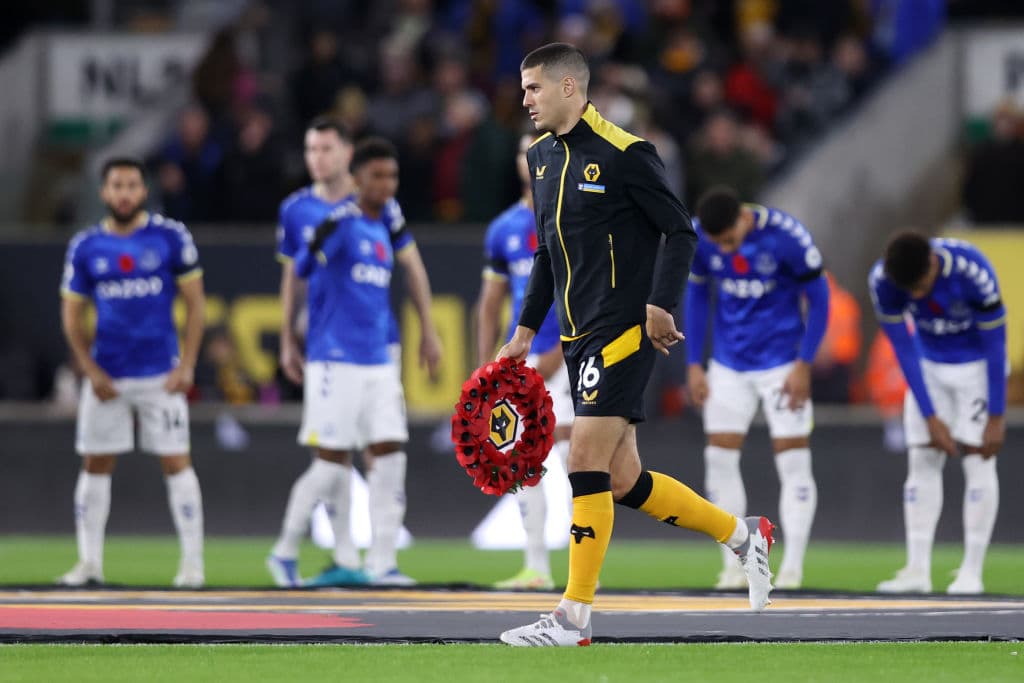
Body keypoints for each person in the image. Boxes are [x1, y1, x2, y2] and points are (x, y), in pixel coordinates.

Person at [497, 43, 775, 647]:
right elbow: (547, 254)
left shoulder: (627, 154)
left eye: (533, 88)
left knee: (583, 463)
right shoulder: (540, 158)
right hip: (574, 335)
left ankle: (573, 617)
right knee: (624, 480)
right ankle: (742, 535)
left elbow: (681, 230)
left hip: (622, 330)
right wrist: (522, 330)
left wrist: (660, 304)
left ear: (571, 88)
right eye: (524, 89)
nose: (525, 100)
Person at [269, 134, 437, 588]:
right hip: (335, 358)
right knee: (330, 460)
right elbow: (300, 271)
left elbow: (411, 270)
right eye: (379, 176)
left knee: (389, 452)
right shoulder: (338, 222)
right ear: (359, 178)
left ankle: (382, 561)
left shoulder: (385, 223)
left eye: (393, 176)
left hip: (380, 357)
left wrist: (428, 330)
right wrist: (316, 245)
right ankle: (285, 550)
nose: (388, 185)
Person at [58, 157, 206, 588]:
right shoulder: (85, 246)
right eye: (116, 186)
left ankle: (193, 566)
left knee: (178, 463)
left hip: (162, 374)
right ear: (104, 193)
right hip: (109, 376)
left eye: (132, 185)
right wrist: (90, 370)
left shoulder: (169, 236)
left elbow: (196, 303)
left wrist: (189, 364)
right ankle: (89, 564)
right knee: (95, 465)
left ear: (143, 191)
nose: (124, 193)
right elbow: (72, 316)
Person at [685, 187, 830, 591]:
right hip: (729, 364)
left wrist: (804, 363)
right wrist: (695, 363)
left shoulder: (788, 237)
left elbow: (819, 299)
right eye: (719, 245)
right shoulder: (701, 238)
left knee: (794, 462)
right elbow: (696, 294)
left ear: (744, 219)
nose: (726, 251)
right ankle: (735, 566)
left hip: (783, 364)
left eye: (730, 240)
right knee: (718, 459)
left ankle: (793, 569)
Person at [870, 232, 1006, 595]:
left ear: (933, 262)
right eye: (909, 289)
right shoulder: (884, 280)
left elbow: (996, 342)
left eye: (921, 286)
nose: (916, 295)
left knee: (978, 461)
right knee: (921, 461)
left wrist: (996, 413)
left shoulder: (972, 271)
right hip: (928, 367)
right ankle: (917, 569)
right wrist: (930, 414)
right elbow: (902, 347)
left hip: (975, 369)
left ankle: (972, 572)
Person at [476, 133, 575, 591]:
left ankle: (582, 568)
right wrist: (484, 368)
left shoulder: (576, 214)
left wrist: (564, 348)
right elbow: (491, 301)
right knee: (524, 457)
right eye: (522, 151)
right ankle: (536, 566)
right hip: (523, 356)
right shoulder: (504, 229)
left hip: (575, 350)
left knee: (580, 456)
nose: (529, 158)